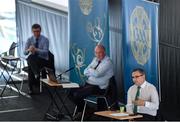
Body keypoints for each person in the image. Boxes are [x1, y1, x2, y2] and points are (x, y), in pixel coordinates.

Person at [70, 44, 114, 120]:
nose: (98, 54)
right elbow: (84, 71)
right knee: (70, 92)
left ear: (104, 52)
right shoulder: (95, 59)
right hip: (89, 84)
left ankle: (85, 111)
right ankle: (87, 109)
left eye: (100, 52)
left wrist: (90, 69)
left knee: (77, 94)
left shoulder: (108, 62)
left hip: (99, 88)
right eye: (96, 52)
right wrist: (92, 70)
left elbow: (97, 74)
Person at [24, 24, 49, 95]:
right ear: (32, 31)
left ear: (40, 31)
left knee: (30, 60)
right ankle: (36, 74)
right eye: (34, 31)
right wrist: (29, 49)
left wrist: (36, 49)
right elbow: (24, 52)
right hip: (33, 61)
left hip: (42, 60)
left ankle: (30, 87)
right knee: (30, 60)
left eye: (38, 31)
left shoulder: (45, 40)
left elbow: (45, 52)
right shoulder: (29, 40)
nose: (36, 33)